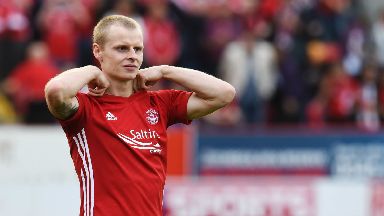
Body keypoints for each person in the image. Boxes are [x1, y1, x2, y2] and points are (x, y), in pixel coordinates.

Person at [44, 15, 235, 216]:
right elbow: (56, 90)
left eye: (138, 49)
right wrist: (91, 71)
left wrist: (166, 71)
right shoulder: (86, 108)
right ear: (98, 51)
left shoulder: (160, 103)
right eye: (122, 48)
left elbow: (223, 94)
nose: (132, 55)